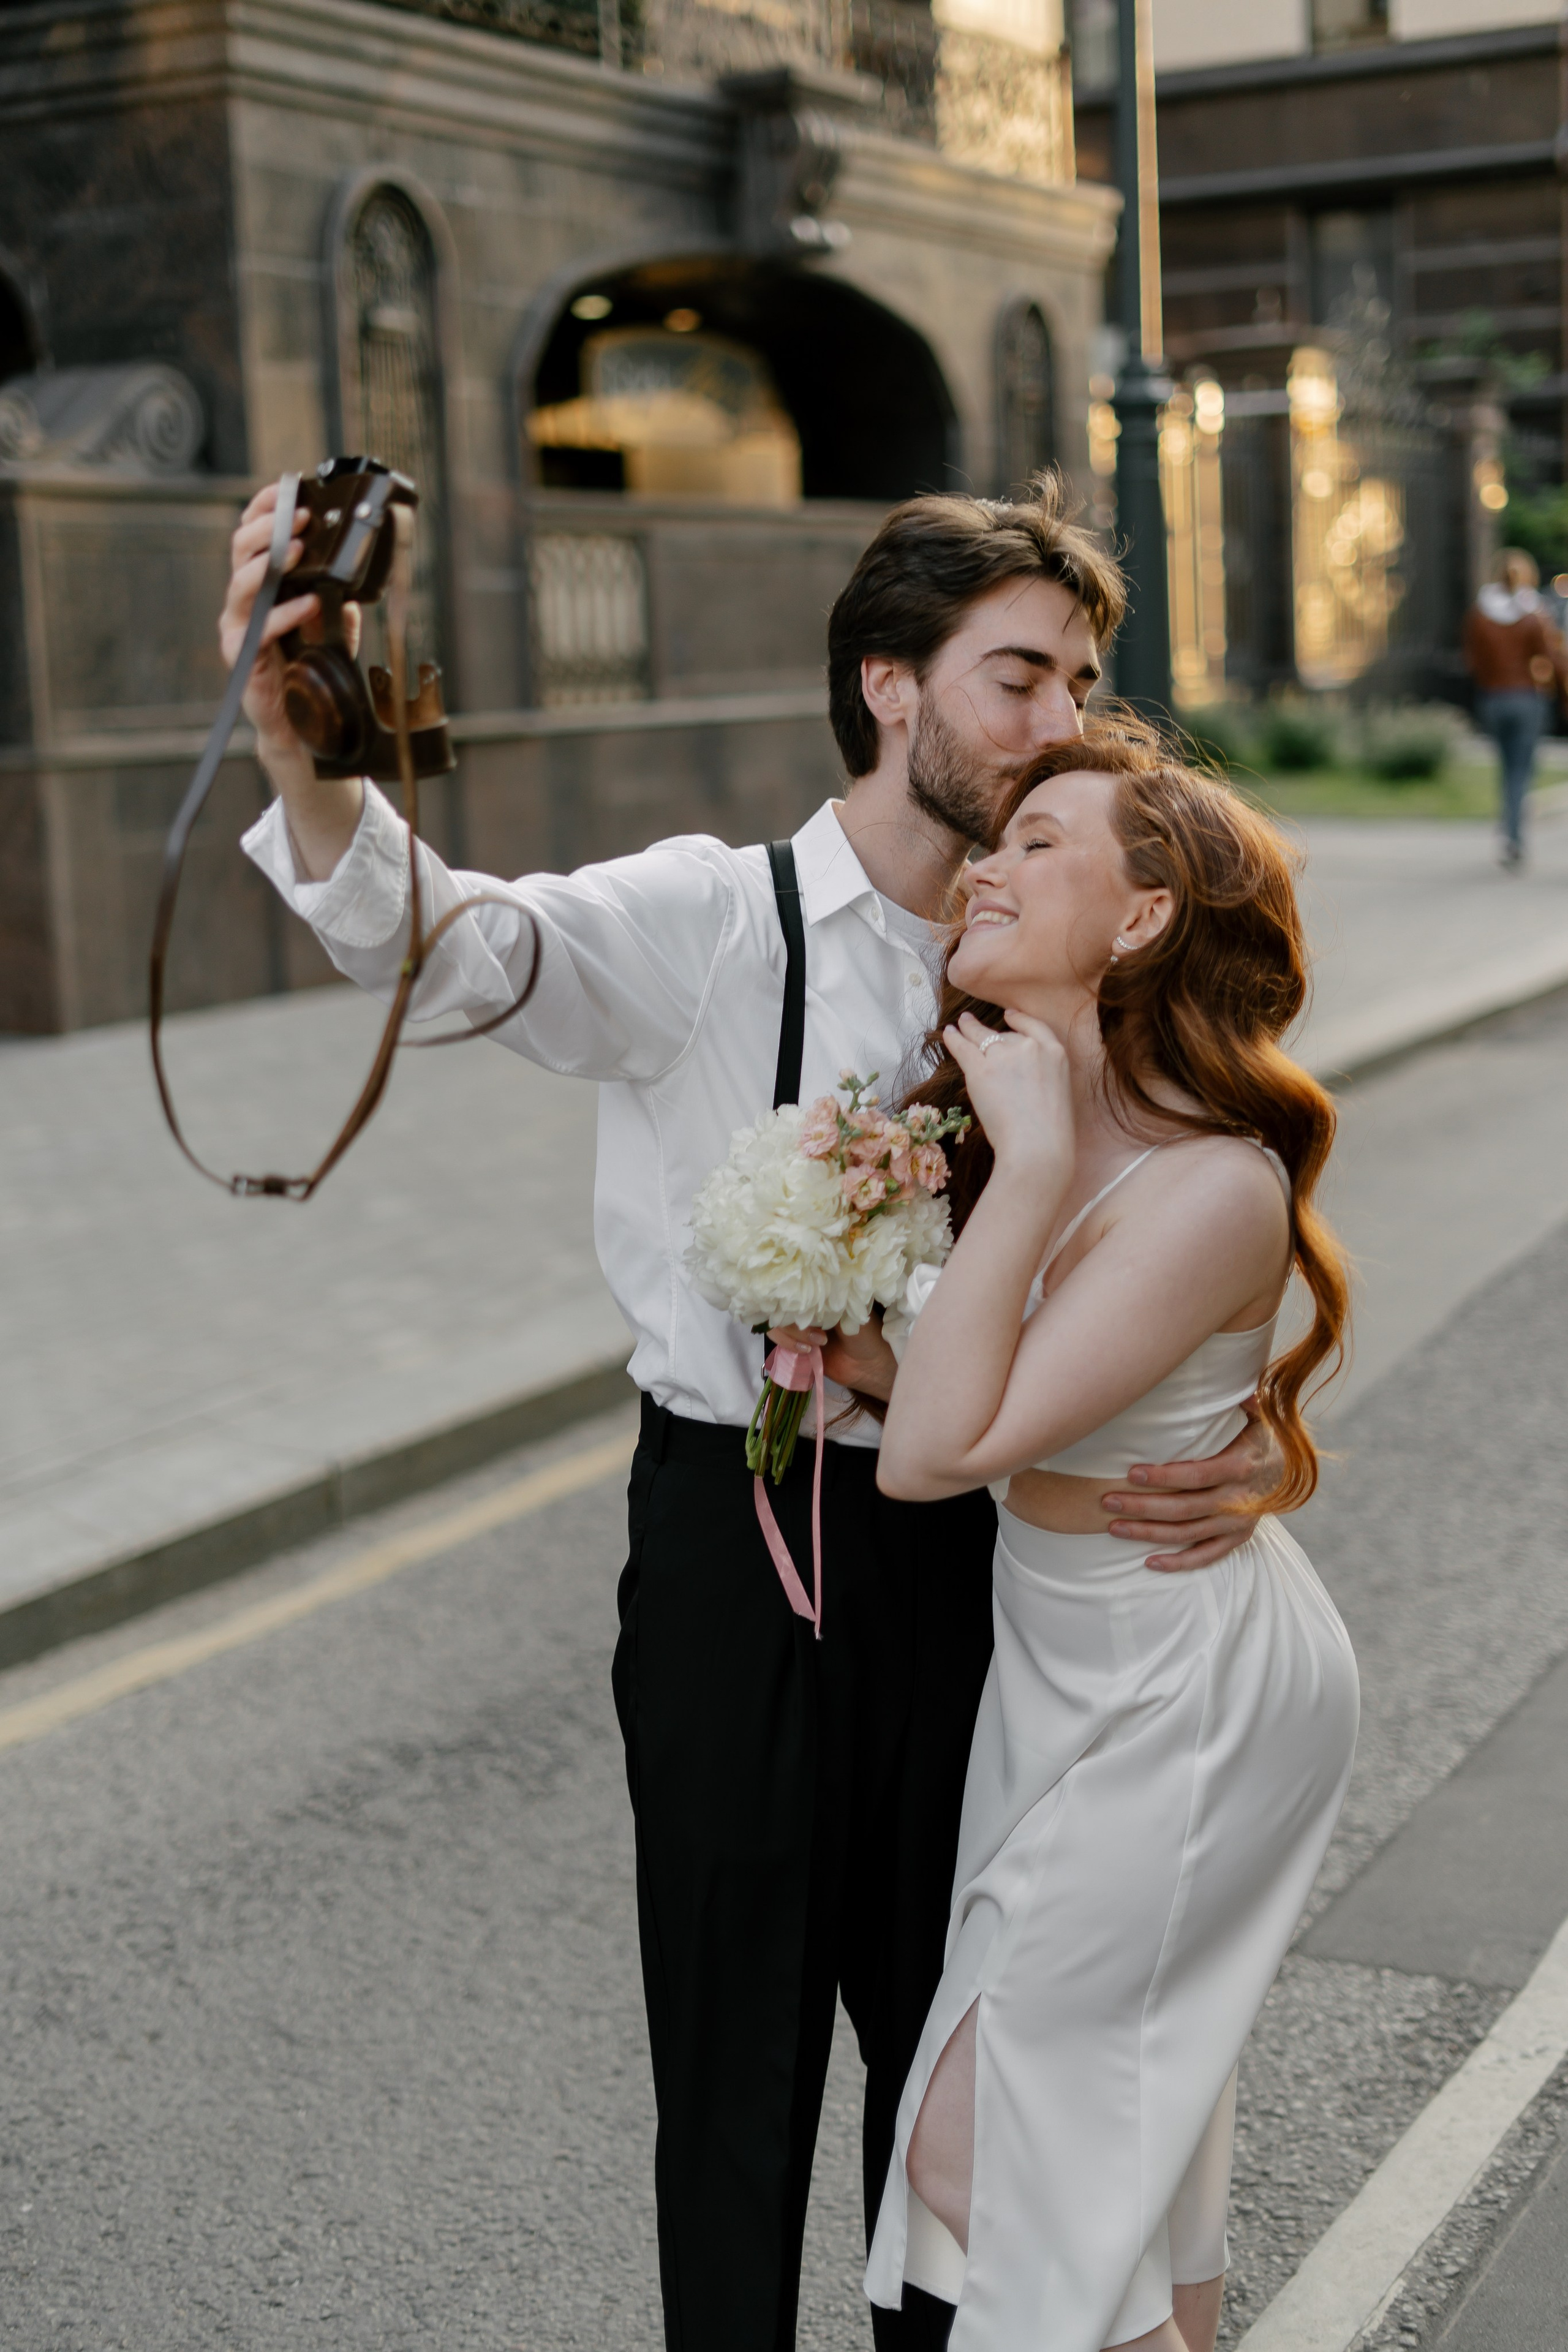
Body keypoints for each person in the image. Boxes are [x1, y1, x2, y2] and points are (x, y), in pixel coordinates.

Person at [217, 477, 1282, 2352]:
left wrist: (1258, 1439)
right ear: (887, 678)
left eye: (1085, 681)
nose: (1065, 719)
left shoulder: (1070, 946)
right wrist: (311, 765)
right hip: (731, 1538)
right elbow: (452, 942)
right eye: (1018, 675)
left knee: (960, 2062)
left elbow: (1199, 1221)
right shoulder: (705, 920)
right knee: (732, 2081)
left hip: (978, 1563)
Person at [821, 735, 1360, 2352]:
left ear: (1138, 921)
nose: (984, 863)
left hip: (1182, 1686)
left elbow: (932, 1458)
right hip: (1055, 1664)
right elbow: (978, 1390)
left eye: (1039, 841)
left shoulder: (1207, 1184)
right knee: (1135, 2173)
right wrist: (827, 1319)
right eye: (993, 838)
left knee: (986, 2154)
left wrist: (1037, 1161)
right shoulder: (1008, 1111)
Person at [1462, 547, 1568, 867]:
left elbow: (1472, 661)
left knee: (1508, 767)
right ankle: (1513, 836)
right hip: (1526, 699)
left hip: (1493, 699)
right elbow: (1553, 659)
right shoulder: (1534, 613)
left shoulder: (1479, 614)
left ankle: (1508, 828)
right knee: (1522, 769)